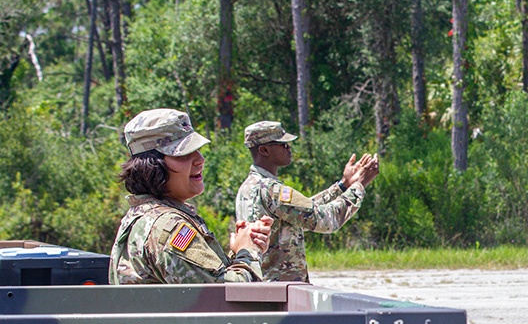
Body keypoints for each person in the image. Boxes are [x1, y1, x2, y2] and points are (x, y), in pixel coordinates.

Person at [110, 108, 273, 284]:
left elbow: (202, 283)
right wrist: (248, 252)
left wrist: (238, 250)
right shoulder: (169, 227)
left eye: (196, 150)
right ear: (152, 166)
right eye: (183, 153)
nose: (199, 159)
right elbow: (226, 297)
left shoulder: (145, 217)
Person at [234, 120, 379, 282]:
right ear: (264, 150)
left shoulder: (248, 187)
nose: (288, 147)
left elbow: (304, 211)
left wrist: (343, 186)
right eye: (282, 144)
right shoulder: (271, 189)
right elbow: (325, 219)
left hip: (264, 286)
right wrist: (359, 186)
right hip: (281, 290)